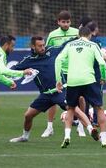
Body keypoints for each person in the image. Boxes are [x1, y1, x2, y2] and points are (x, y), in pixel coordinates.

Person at [8, 36, 98, 143]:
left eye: (43, 45)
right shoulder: (28, 61)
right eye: (39, 46)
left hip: (59, 91)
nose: (43, 48)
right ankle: (25, 137)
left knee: (74, 109)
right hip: (45, 95)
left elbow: (65, 44)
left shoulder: (52, 51)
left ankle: (91, 129)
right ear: (33, 46)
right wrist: (19, 74)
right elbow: (12, 69)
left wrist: (78, 36)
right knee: (28, 115)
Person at [55, 26, 106, 148]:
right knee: (99, 108)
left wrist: (58, 80)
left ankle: (67, 137)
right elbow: (102, 63)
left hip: (72, 81)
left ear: (78, 35)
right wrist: (104, 77)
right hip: (89, 80)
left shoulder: (70, 45)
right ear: (90, 35)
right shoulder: (93, 45)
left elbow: (58, 60)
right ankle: (104, 141)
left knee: (71, 109)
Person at [42, 10, 79, 138]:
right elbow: (47, 52)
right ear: (58, 22)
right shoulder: (52, 35)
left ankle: (80, 125)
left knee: (79, 96)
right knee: (53, 98)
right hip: (58, 71)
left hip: (75, 69)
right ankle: (49, 127)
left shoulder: (76, 33)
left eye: (68, 22)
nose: (65, 24)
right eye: (63, 22)